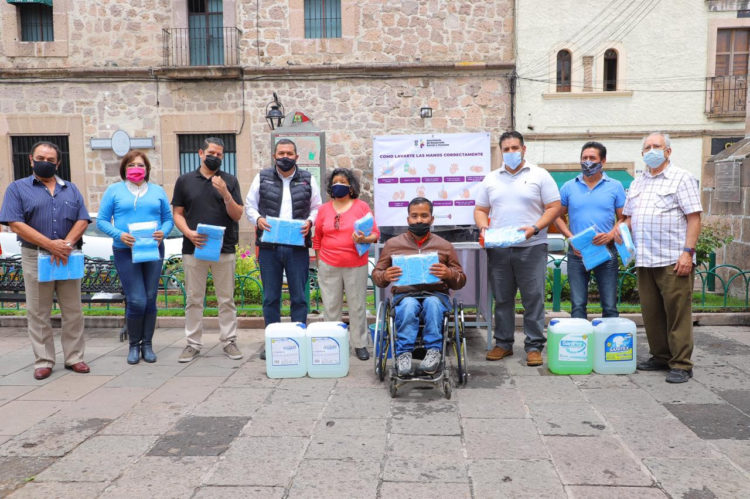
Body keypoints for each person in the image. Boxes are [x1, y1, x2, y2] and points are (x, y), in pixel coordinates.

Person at [0, 141, 91, 380]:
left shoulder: (70, 188)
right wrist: (50, 245)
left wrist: (66, 245)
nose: (45, 163)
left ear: (58, 163)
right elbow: (15, 222)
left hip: (68, 256)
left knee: (73, 310)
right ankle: (44, 360)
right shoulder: (17, 189)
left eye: (51, 160)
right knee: (39, 311)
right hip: (35, 255)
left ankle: (74, 357)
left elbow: (82, 219)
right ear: (31, 159)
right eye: (41, 158)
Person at [619, 132, 701, 383]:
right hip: (645, 259)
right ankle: (660, 356)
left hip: (672, 259)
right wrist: (620, 229)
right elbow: (629, 216)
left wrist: (687, 253)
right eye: (647, 147)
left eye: (657, 146)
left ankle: (681, 364)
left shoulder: (681, 178)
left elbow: (694, 217)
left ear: (668, 152)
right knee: (651, 313)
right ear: (642, 153)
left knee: (677, 313)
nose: (652, 150)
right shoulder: (638, 182)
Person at [474, 131, 562, 367]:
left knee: (533, 298)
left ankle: (534, 346)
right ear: (501, 152)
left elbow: (554, 207)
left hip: (531, 246)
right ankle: (503, 344)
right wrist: (484, 229)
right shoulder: (491, 179)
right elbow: (481, 209)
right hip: (499, 248)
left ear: (524, 149)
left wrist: (535, 227)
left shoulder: (540, 175)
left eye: (515, 148)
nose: (511, 152)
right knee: (502, 298)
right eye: (506, 149)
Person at [371, 197, 466, 376]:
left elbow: (460, 280)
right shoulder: (393, 244)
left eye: (424, 215)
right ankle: (403, 354)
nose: (419, 220)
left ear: (432, 218)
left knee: (432, 304)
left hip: (436, 295)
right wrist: (385, 275)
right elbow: (377, 275)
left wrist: (448, 274)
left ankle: (434, 352)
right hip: (405, 295)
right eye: (414, 216)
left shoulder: (444, 246)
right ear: (408, 219)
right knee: (408, 306)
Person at [245, 139, 321, 360]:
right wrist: (257, 219)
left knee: (299, 297)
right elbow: (250, 205)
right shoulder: (262, 177)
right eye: (281, 153)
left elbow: (317, 207)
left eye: (289, 153)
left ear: (297, 157)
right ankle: (273, 342)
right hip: (270, 247)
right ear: (274, 156)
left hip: (297, 246)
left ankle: (298, 341)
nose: (285, 157)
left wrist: (310, 221)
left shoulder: (307, 180)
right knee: (270, 297)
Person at [172, 137, 245, 363]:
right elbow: (177, 213)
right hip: (194, 248)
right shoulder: (184, 181)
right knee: (194, 299)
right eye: (212, 153)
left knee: (226, 299)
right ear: (201, 154)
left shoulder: (229, 180)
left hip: (224, 248)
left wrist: (225, 193)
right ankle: (193, 343)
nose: (216, 157)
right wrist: (188, 233)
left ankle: (229, 341)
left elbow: (237, 214)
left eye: (220, 154)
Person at [97, 151, 174, 365]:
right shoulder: (114, 191)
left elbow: (169, 219)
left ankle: (147, 345)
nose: (136, 168)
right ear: (124, 169)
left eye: (140, 165)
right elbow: (102, 221)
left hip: (152, 249)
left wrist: (164, 232)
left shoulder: (157, 191)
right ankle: (133, 345)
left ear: (147, 169)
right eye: (131, 165)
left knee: (150, 298)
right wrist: (119, 234)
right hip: (125, 250)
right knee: (136, 299)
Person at [553, 141, 626, 319]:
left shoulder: (615, 186)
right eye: (584, 158)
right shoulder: (568, 187)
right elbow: (556, 216)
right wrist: (571, 238)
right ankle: (581, 345)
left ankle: (607, 345)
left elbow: (624, 217)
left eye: (592, 158)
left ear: (603, 161)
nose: (587, 161)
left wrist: (610, 235)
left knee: (609, 306)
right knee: (577, 306)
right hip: (577, 252)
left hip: (606, 250)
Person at [313, 168, 379, 361]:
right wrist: (320, 262)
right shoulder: (323, 209)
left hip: (355, 264)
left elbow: (375, 234)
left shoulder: (361, 207)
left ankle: (359, 344)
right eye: (335, 182)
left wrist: (364, 238)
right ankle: (333, 343)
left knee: (357, 305)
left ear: (351, 187)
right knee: (330, 306)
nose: (338, 185)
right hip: (328, 264)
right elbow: (317, 238)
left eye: (342, 181)